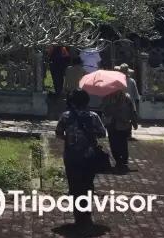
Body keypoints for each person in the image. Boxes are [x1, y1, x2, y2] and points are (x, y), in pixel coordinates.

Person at [56, 88, 107, 230]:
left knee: (74, 185)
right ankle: (86, 213)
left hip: (71, 156)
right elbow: (102, 133)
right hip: (89, 156)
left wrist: (70, 138)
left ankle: (78, 214)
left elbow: (58, 133)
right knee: (87, 184)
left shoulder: (66, 116)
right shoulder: (93, 116)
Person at [102, 89, 139, 170]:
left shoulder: (127, 98)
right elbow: (104, 111)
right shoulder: (108, 98)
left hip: (124, 124)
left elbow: (133, 110)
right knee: (113, 144)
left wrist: (134, 122)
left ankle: (124, 161)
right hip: (112, 125)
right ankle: (118, 160)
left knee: (123, 143)